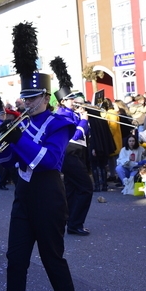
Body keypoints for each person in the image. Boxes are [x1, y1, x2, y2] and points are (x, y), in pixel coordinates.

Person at [0, 23, 79, 291]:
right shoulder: (19, 124)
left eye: (32, 97)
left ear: (45, 96)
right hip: (23, 196)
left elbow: (48, 161)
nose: (26, 102)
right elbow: (7, 161)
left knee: (51, 256)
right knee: (15, 258)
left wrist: (17, 138)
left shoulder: (59, 123)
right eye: (24, 97)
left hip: (48, 195)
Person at [56, 93, 93, 235]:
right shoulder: (62, 115)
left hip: (77, 152)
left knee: (71, 189)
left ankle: (70, 222)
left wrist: (82, 117)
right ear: (63, 101)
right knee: (86, 187)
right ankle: (75, 223)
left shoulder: (72, 113)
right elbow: (75, 135)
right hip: (69, 152)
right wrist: (83, 120)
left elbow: (85, 133)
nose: (74, 101)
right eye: (71, 99)